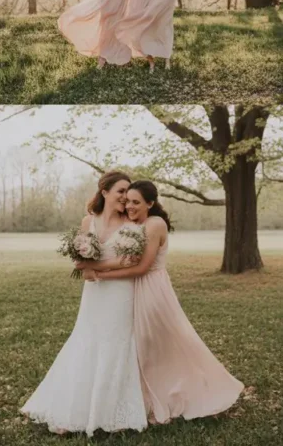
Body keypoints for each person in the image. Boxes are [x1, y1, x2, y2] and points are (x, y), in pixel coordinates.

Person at [81, 180, 244, 423]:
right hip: (135, 288)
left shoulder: (155, 224)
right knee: (144, 345)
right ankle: (143, 396)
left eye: (136, 202)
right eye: (128, 201)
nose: (129, 205)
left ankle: (188, 390)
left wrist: (99, 274)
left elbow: (141, 267)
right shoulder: (135, 224)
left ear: (150, 203)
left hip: (152, 289)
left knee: (162, 342)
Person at [20, 171, 147, 435]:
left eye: (128, 192)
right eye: (121, 191)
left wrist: (95, 267)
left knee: (116, 343)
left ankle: (113, 414)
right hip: (94, 293)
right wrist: (88, 266)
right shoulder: (88, 221)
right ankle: (73, 411)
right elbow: (78, 262)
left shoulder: (132, 223)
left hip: (120, 292)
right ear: (105, 192)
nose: (126, 197)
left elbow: (130, 261)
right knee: (86, 340)